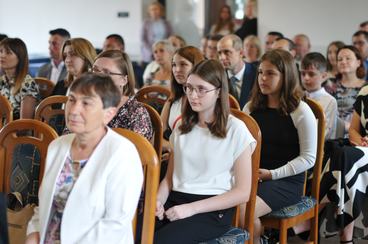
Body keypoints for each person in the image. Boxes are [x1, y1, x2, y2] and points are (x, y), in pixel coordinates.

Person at [25, 73, 143, 244]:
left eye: (86, 103)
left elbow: (115, 225)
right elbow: (45, 205)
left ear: (108, 114)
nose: (73, 110)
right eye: (71, 100)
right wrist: (34, 233)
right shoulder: (57, 146)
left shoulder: (122, 154)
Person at [154, 59, 255, 243]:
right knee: (132, 232)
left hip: (212, 209)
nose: (193, 95)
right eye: (189, 88)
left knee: (161, 241)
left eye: (201, 89)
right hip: (176, 199)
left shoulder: (236, 130)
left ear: (218, 91)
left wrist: (191, 209)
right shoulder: (181, 128)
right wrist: (158, 201)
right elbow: (169, 179)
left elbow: (242, 192)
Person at [243, 49, 317, 243]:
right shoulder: (250, 107)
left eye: (270, 73)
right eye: (260, 72)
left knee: (243, 213)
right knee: (228, 210)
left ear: (286, 77)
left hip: (286, 182)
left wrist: (272, 174)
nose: (262, 78)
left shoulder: (301, 111)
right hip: (253, 177)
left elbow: (309, 158)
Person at [92, 50, 153, 140]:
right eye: (95, 70)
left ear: (124, 80)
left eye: (107, 72)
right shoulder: (85, 103)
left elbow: (137, 150)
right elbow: (69, 137)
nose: (98, 76)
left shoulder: (136, 112)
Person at [161, 46, 205, 139]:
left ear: (196, 66)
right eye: (174, 65)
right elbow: (160, 134)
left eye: (183, 64)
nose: (176, 70)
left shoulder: (206, 99)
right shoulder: (173, 100)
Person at [324, 45, 366, 135]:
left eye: (348, 58)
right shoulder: (329, 85)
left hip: (357, 136)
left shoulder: (366, 88)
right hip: (330, 134)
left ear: (358, 62)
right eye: (340, 59)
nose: (343, 62)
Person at [301, 52, 338, 140]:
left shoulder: (330, 101)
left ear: (324, 76)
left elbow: (324, 134)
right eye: (303, 73)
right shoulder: (298, 97)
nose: (306, 78)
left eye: (311, 74)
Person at [0, 37, 39, 119]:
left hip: (17, 130)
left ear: (20, 58)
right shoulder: (2, 81)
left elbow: (24, 126)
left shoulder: (27, 84)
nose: (2, 55)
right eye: (0, 51)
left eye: (8, 52)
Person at [217, 34, 256, 108]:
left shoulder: (256, 74)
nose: (222, 57)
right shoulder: (217, 76)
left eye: (227, 52)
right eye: (219, 53)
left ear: (241, 53)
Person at [141, 1, 173, 66]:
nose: (154, 11)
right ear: (149, 12)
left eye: (156, 9)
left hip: (164, 52)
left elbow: (171, 37)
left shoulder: (167, 23)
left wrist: (165, 49)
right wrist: (152, 51)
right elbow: (143, 39)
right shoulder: (146, 23)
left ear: (161, 11)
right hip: (149, 53)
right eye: (152, 9)